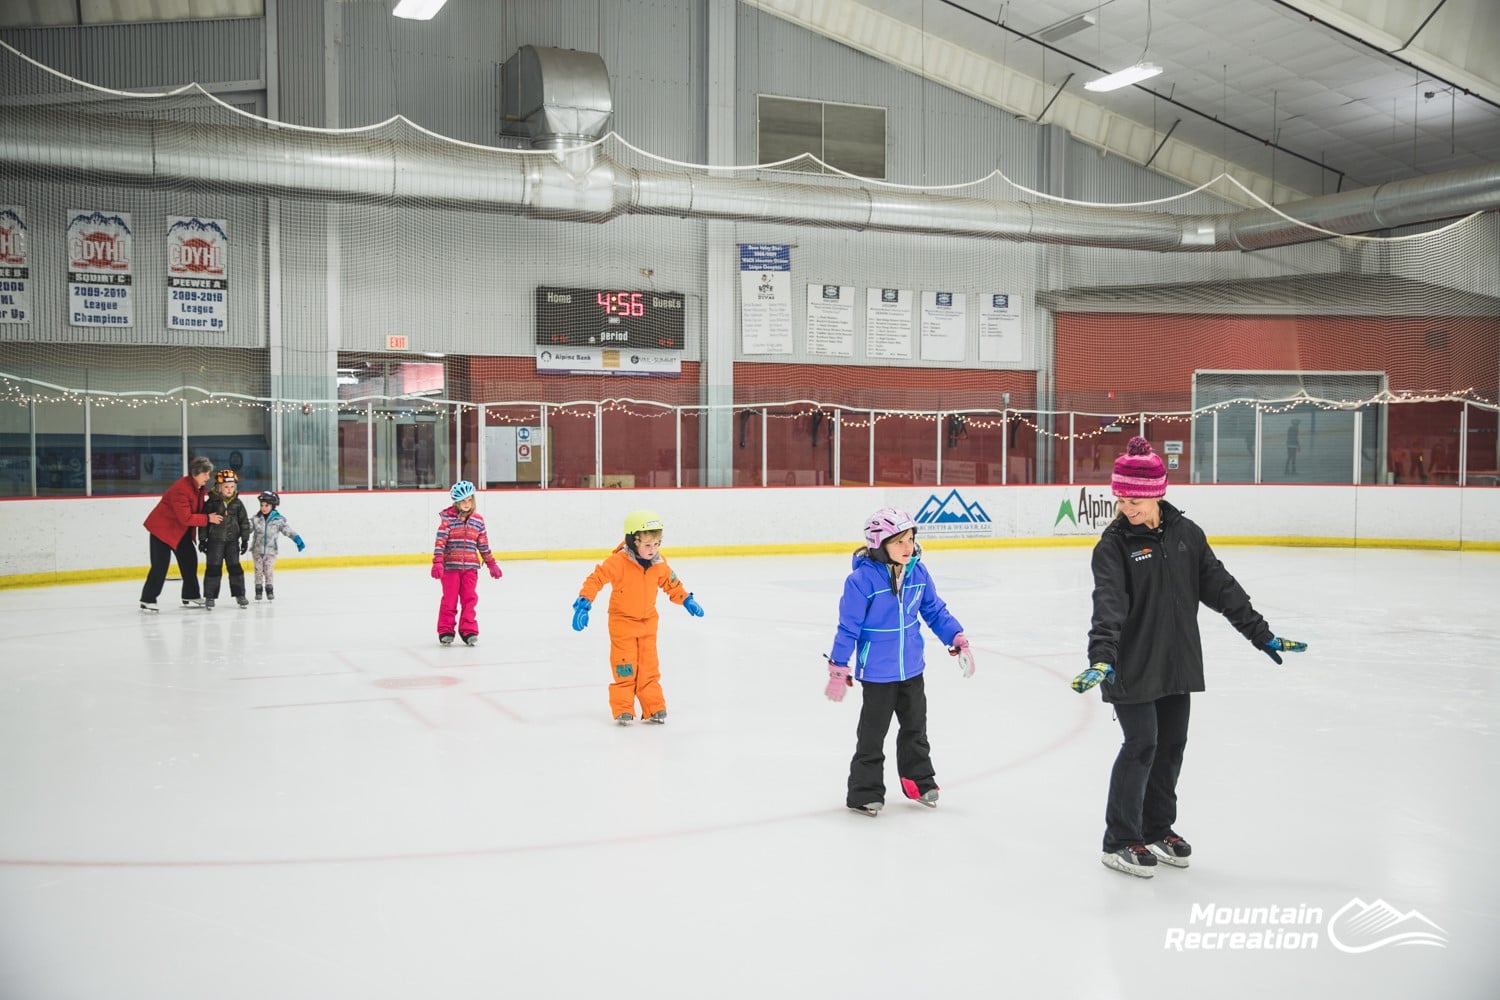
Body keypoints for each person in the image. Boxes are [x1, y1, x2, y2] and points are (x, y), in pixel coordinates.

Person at [1073, 437, 1309, 878]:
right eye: (1122, 499)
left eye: (1136, 499)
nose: (1128, 508)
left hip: (1176, 662)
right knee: (1141, 744)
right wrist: (1102, 657)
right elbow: (1108, 606)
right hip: (1129, 664)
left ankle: (1158, 827)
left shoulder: (1187, 535)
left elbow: (1222, 588)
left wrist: (1261, 634)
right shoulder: (1113, 546)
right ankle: (1120, 839)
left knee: (1171, 747)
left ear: (1158, 492)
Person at [825, 508, 974, 817]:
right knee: (873, 733)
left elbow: (934, 610)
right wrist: (839, 668)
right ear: (879, 544)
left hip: (911, 668)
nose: (908, 547)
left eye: (910, 539)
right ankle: (864, 792)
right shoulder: (861, 581)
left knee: (916, 728)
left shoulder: (918, 573)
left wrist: (956, 639)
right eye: (900, 542)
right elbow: (848, 627)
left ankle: (918, 782)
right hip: (878, 673)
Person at [570, 509, 704, 725]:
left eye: (657, 544)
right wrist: (584, 603)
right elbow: (596, 579)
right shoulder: (618, 562)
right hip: (622, 623)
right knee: (625, 666)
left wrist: (686, 599)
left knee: (649, 667)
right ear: (633, 541)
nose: (653, 550)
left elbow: (672, 584)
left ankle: (654, 707)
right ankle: (623, 708)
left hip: (648, 624)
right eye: (648, 545)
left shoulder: (659, 564)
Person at [139, 455, 222, 612]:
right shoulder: (181, 489)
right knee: (160, 566)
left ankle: (190, 595)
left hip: (180, 531)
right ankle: (147, 599)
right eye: (205, 474)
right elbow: (185, 517)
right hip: (162, 531)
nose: (208, 477)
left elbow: (196, 509)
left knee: (189, 561)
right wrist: (208, 518)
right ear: (196, 473)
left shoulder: (198, 488)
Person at [431, 480, 502, 646]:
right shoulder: (447, 521)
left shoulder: (478, 521)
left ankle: (468, 630)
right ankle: (446, 629)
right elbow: (440, 543)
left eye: (469, 500)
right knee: (449, 600)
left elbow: (483, 545)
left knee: (470, 599)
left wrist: (491, 563)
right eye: (463, 501)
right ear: (457, 502)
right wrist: (437, 563)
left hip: (470, 568)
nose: (467, 504)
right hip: (450, 568)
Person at [200, 469, 253, 608]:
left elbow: (244, 522)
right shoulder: (211, 503)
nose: (229, 490)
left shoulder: (237, 504)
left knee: (235, 568)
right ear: (218, 487)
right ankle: (210, 596)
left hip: (232, 542)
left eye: (232, 487)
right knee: (213, 569)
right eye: (226, 487)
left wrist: (245, 539)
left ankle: (240, 594)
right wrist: (202, 540)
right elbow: (204, 523)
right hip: (215, 542)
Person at [250, 490, 305, 601]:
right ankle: (258, 590)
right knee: (258, 570)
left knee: (268, 570)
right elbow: (247, 528)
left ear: (273, 506)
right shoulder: (256, 519)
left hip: (271, 552)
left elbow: (287, 530)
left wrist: (296, 538)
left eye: (267, 505)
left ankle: (269, 589)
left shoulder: (278, 520)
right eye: (262, 505)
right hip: (257, 550)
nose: (263, 508)